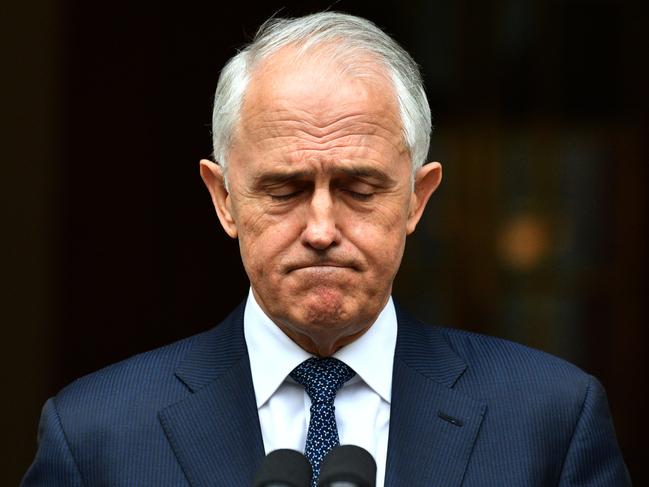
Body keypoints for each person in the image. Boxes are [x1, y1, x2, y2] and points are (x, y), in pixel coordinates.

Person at [22, 11, 630, 487]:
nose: (320, 228)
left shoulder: (547, 419)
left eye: (359, 188)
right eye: (283, 190)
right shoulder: (98, 434)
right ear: (224, 198)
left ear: (417, 199)